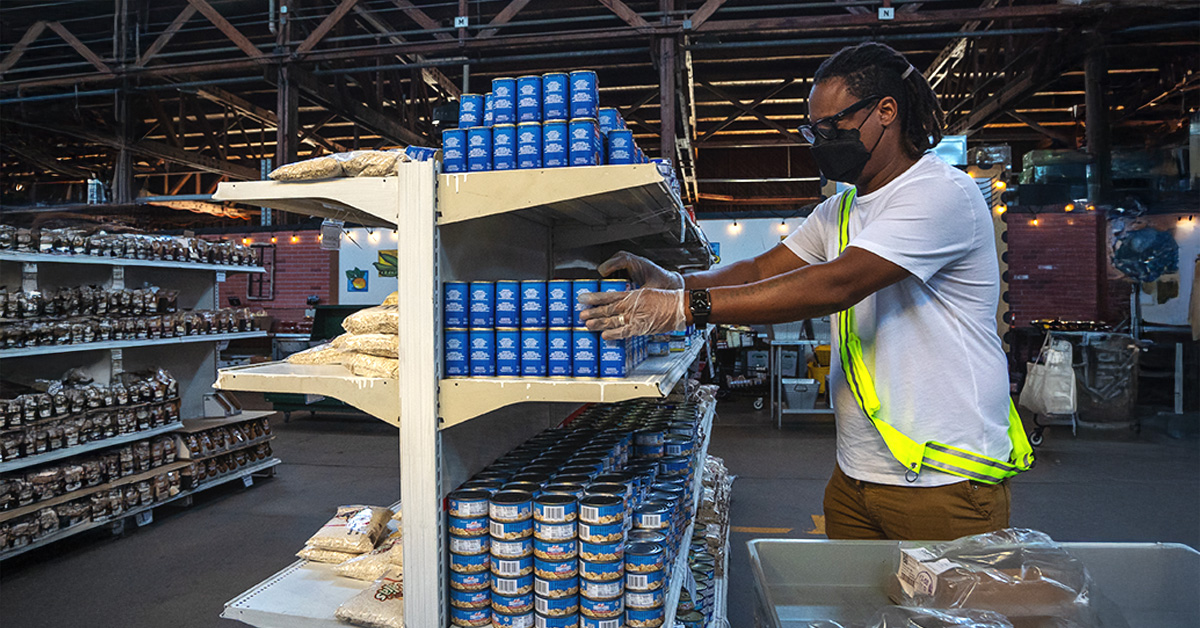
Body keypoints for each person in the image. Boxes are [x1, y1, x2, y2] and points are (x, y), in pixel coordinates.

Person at [580, 42, 1032, 541]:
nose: (819, 140)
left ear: (886, 112)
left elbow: (838, 283)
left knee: (946, 619)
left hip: (946, 477)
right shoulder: (839, 211)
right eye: (811, 129)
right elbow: (759, 269)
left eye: (830, 127)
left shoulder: (941, 193)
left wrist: (686, 308)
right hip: (856, 473)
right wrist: (678, 282)